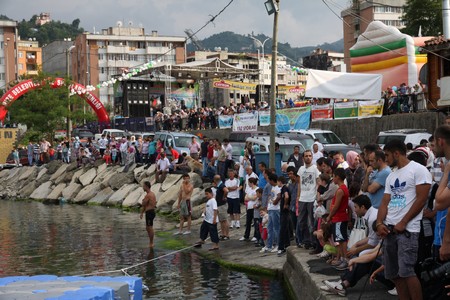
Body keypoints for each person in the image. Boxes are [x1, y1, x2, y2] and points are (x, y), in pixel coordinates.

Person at [376, 139, 432, 300]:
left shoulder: (418, 170)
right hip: (389, 230)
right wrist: (379, 223)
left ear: (396, 153)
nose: (385, 159)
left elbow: (421, 200)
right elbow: (385, 202)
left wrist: (403, 222)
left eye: (387, 155)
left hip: (408, 230)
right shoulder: (391, 176)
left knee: (407, 271)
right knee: (394, 274)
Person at [327, 168, 350, 270]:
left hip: (339, 218)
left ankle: (345, 259)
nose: (333, 178)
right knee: (340, 240)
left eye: (334, 176)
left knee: (342, 240)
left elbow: (336, 206)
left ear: (338, 177)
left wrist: (329, 216)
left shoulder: (341, 190)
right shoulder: (343, 188)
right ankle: (341, 258)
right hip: (340, 218)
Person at [297, 150, 320, 249]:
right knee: (302, 221)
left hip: (311, 198)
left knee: (311, 221)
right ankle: (306, 240)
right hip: (302, 198)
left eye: (310, 156)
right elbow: (299, 184)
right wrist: (298, 196)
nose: (308, 157)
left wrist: (317, 196)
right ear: (303, 158)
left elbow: (318, 182)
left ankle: (313, 241)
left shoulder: (315, 169)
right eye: (306, 156)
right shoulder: (301, 169)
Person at [261, 172, 280, 253]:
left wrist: (274, 202)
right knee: (270, 228)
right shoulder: (272, 188)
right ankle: (269, 245)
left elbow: (279, 196)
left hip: (276, 209)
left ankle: (277, 244)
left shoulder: (277, 188)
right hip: (271, 208)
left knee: (276, 228)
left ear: (272, 180)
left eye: (269, 180)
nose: (268, 181)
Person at [240, 177, 258, 241]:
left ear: (252, 183)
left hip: (254, 208)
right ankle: (246, 235)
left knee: (256, 222)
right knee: (248, 222)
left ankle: (256, 235)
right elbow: (245, 198)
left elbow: (255, 198)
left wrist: (249, 197)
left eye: (249, 183)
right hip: (249, 207)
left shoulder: (257, 189)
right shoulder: (249, 189)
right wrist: (250, 197)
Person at [212, 175, 230, 240]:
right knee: (221, 220)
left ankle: (227, 234)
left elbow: (226, 191)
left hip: (222, 205)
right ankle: (223, 233)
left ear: (215, 180)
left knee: (224, 220)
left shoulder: (221, 185)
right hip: (219, 205)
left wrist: (224, 197)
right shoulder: (219, 185)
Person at [140, 181, 157, 248]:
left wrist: (143, 200)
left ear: (146, 187)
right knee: (147, 228)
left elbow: (143, 204)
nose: (143, 187)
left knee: (150, 228)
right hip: (149, 212)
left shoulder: (149, 195)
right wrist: (141, 213)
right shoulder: (150, 194)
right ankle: (151, 242)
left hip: (150, 212)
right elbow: (145, 205)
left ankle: (151, 243)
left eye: (143, 186)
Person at [277, 176, 291, 256]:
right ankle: (287, 244)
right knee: (285, 228)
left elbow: (286, 196)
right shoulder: (284, 188)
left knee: (282, 229)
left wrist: (285, 204)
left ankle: (281, 247)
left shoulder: (284, 188)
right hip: (284, 212)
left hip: (284, 211)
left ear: (280, 182)